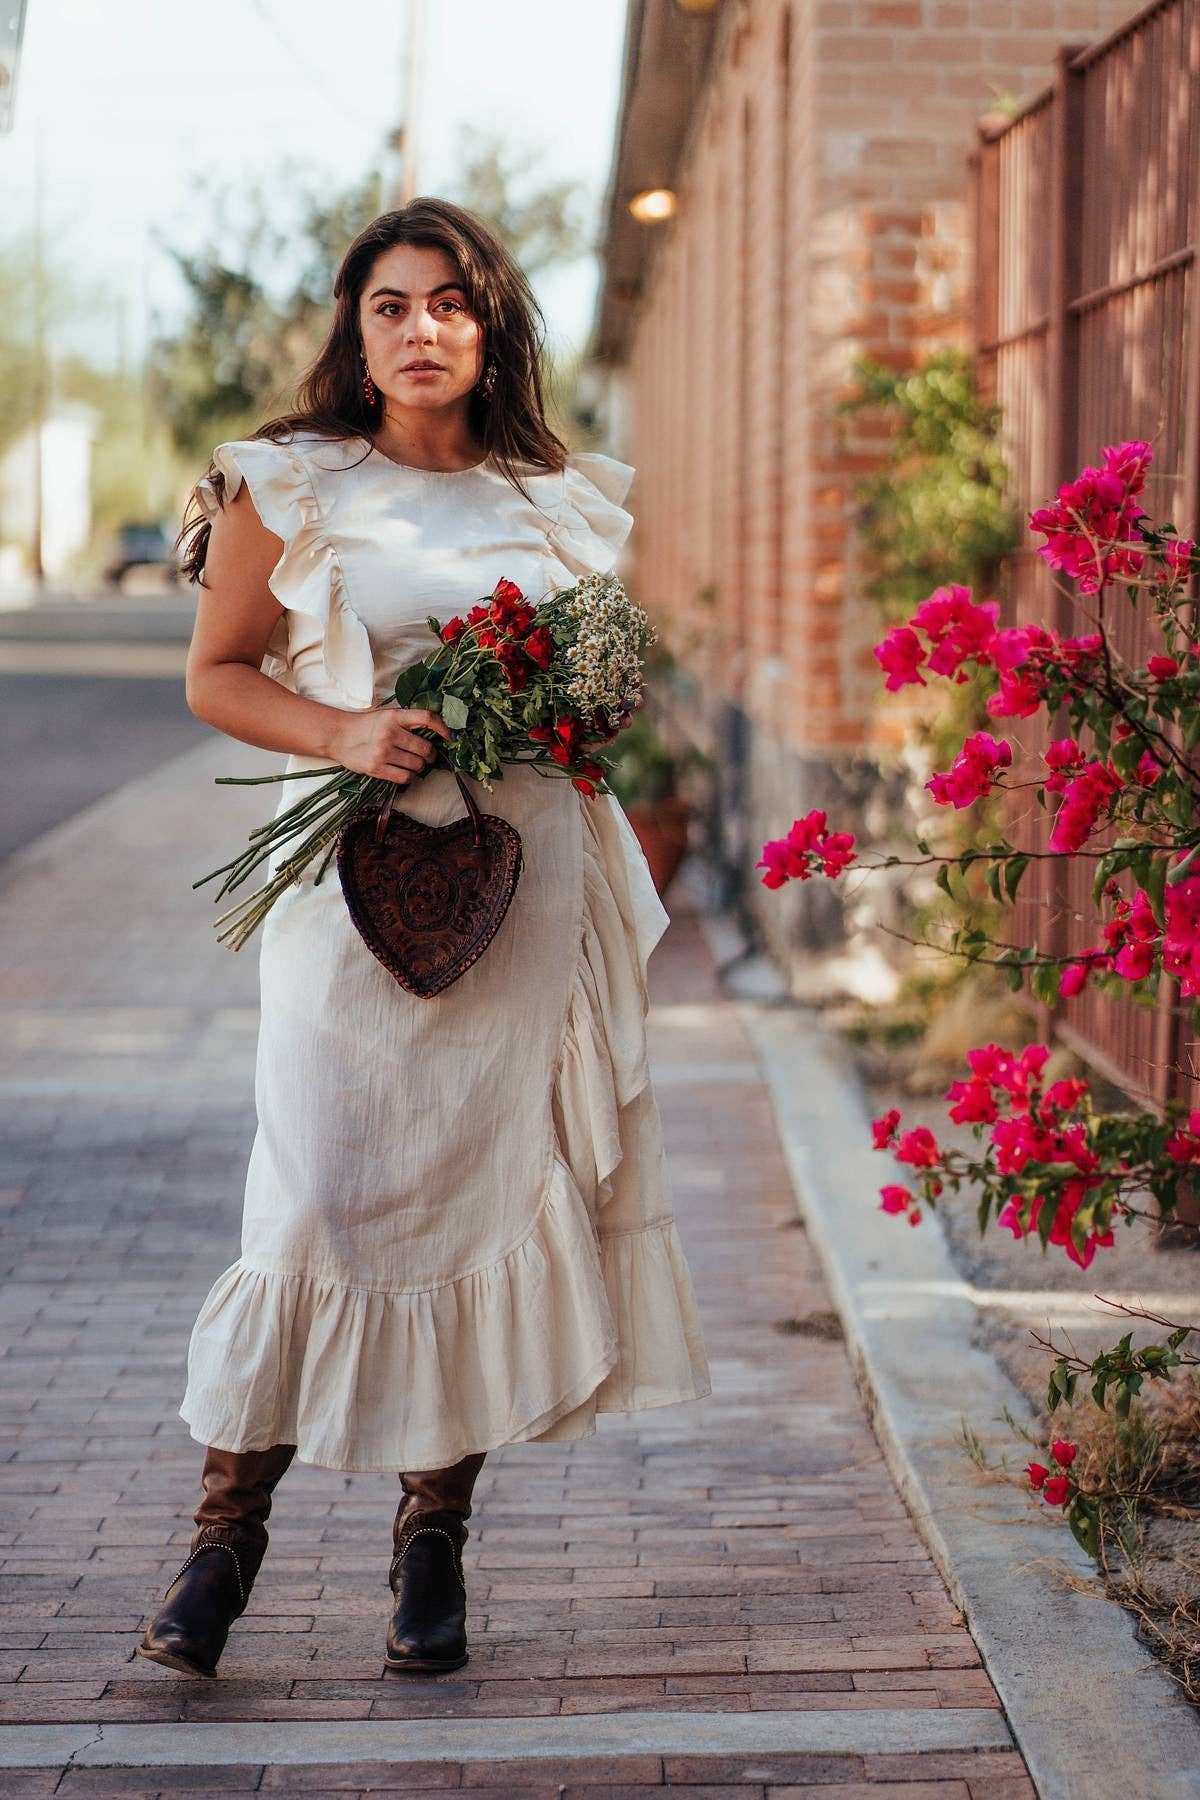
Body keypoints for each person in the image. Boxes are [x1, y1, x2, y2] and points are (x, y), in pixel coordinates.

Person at [138, 198, 711, 1682]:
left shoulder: (549, 494)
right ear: (357, 327)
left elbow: (599, 693)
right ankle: (222, 1541)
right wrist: (342, 726)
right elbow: (219, 673)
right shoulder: (291, 483)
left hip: (524, 888)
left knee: (480, 1188)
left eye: (451, 304)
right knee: (314, 1197)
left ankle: (431, 1546)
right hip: (351, 887)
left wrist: (573, 703)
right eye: (392, 306)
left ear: (492, 324)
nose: (421, 331)